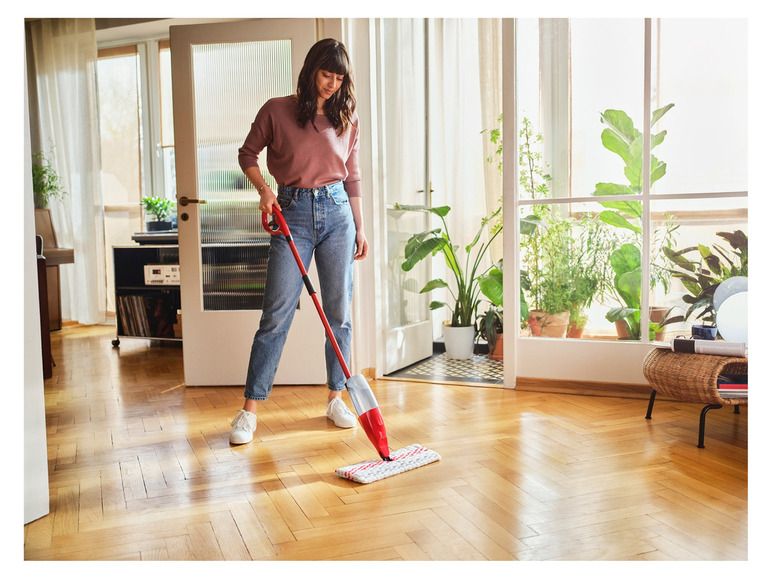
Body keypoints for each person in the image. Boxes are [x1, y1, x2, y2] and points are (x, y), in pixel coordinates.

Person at [229, 38, 368, 445]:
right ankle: (249, 410)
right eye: (327, 74)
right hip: (291, 213)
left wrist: (360, 226)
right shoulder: (277, 109)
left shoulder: (346, 116)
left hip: (338, 214)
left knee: (338, 313)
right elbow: (247, 155)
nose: (332, 84)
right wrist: (263, 191)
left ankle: (336, 397)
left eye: (339, 78)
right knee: (276, 313)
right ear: (311, 70)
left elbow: (353, 175)